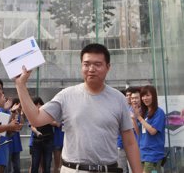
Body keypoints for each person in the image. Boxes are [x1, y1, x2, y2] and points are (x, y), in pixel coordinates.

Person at [15, 43, 142, 173]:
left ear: (108, 67)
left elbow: (130, 142)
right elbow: (36, 119)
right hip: (72, 169)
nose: (91, 69)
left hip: (108, 169)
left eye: (97, 64)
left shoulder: (118, 99)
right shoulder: (66, 95)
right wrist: (20, 85)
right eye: (86, 64)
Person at [134, 85, 165, 173]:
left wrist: (139, 118)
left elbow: (152, 131)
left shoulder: (159, 112)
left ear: (154, 96)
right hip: (143, 153)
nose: (145, 98)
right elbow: (138, 133)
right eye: (143, 96)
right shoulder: (145, 113)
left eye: (147, 95)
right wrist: (134, 119)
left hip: (153, 155)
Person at [30, 97, 54, 173]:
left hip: (48, 140)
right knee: (35, 164)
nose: (38, 106)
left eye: (39, 104)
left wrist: (46, 119)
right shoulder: (32, 113)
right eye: (35, 105)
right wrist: (37, 133)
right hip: (37, 140)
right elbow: (32, 126)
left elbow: (57, 123)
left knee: (47, 165)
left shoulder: (48, 112)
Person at [7, 98, 25, 173]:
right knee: (8, 167)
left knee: (17, 167)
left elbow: (21, 126)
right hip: (8, 142)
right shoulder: (7, 112)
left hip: (16, 143)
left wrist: (20, 113)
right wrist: (13, 112)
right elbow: (5, 126)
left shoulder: (18, 114)